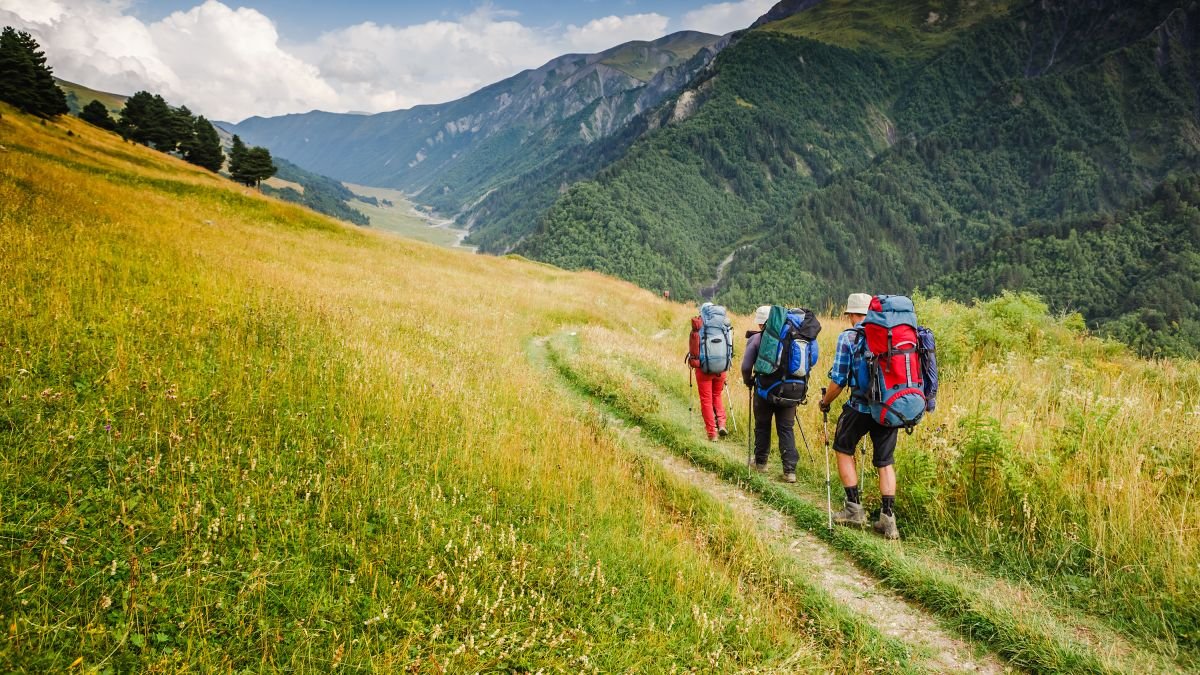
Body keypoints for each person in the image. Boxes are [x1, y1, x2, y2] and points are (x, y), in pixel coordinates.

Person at [817, 292, 900, 539]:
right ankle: (888, 519)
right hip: (889, 408)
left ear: (853, 314)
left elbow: (839, 380)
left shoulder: (849, 337)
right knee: (885, 461)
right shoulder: (891, 334)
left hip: (860, 406)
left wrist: (825, 401)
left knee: (843, 447)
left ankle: (854, 510)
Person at [741, 305, 798, 483]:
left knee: (763, 425)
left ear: (760, 322)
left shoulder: (758, 338)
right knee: (786, 429)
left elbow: (745, 367)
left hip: (765, 391)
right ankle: (789, 471)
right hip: (790, 392)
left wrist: (748, 380)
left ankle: (761, 463)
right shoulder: (794, 338)